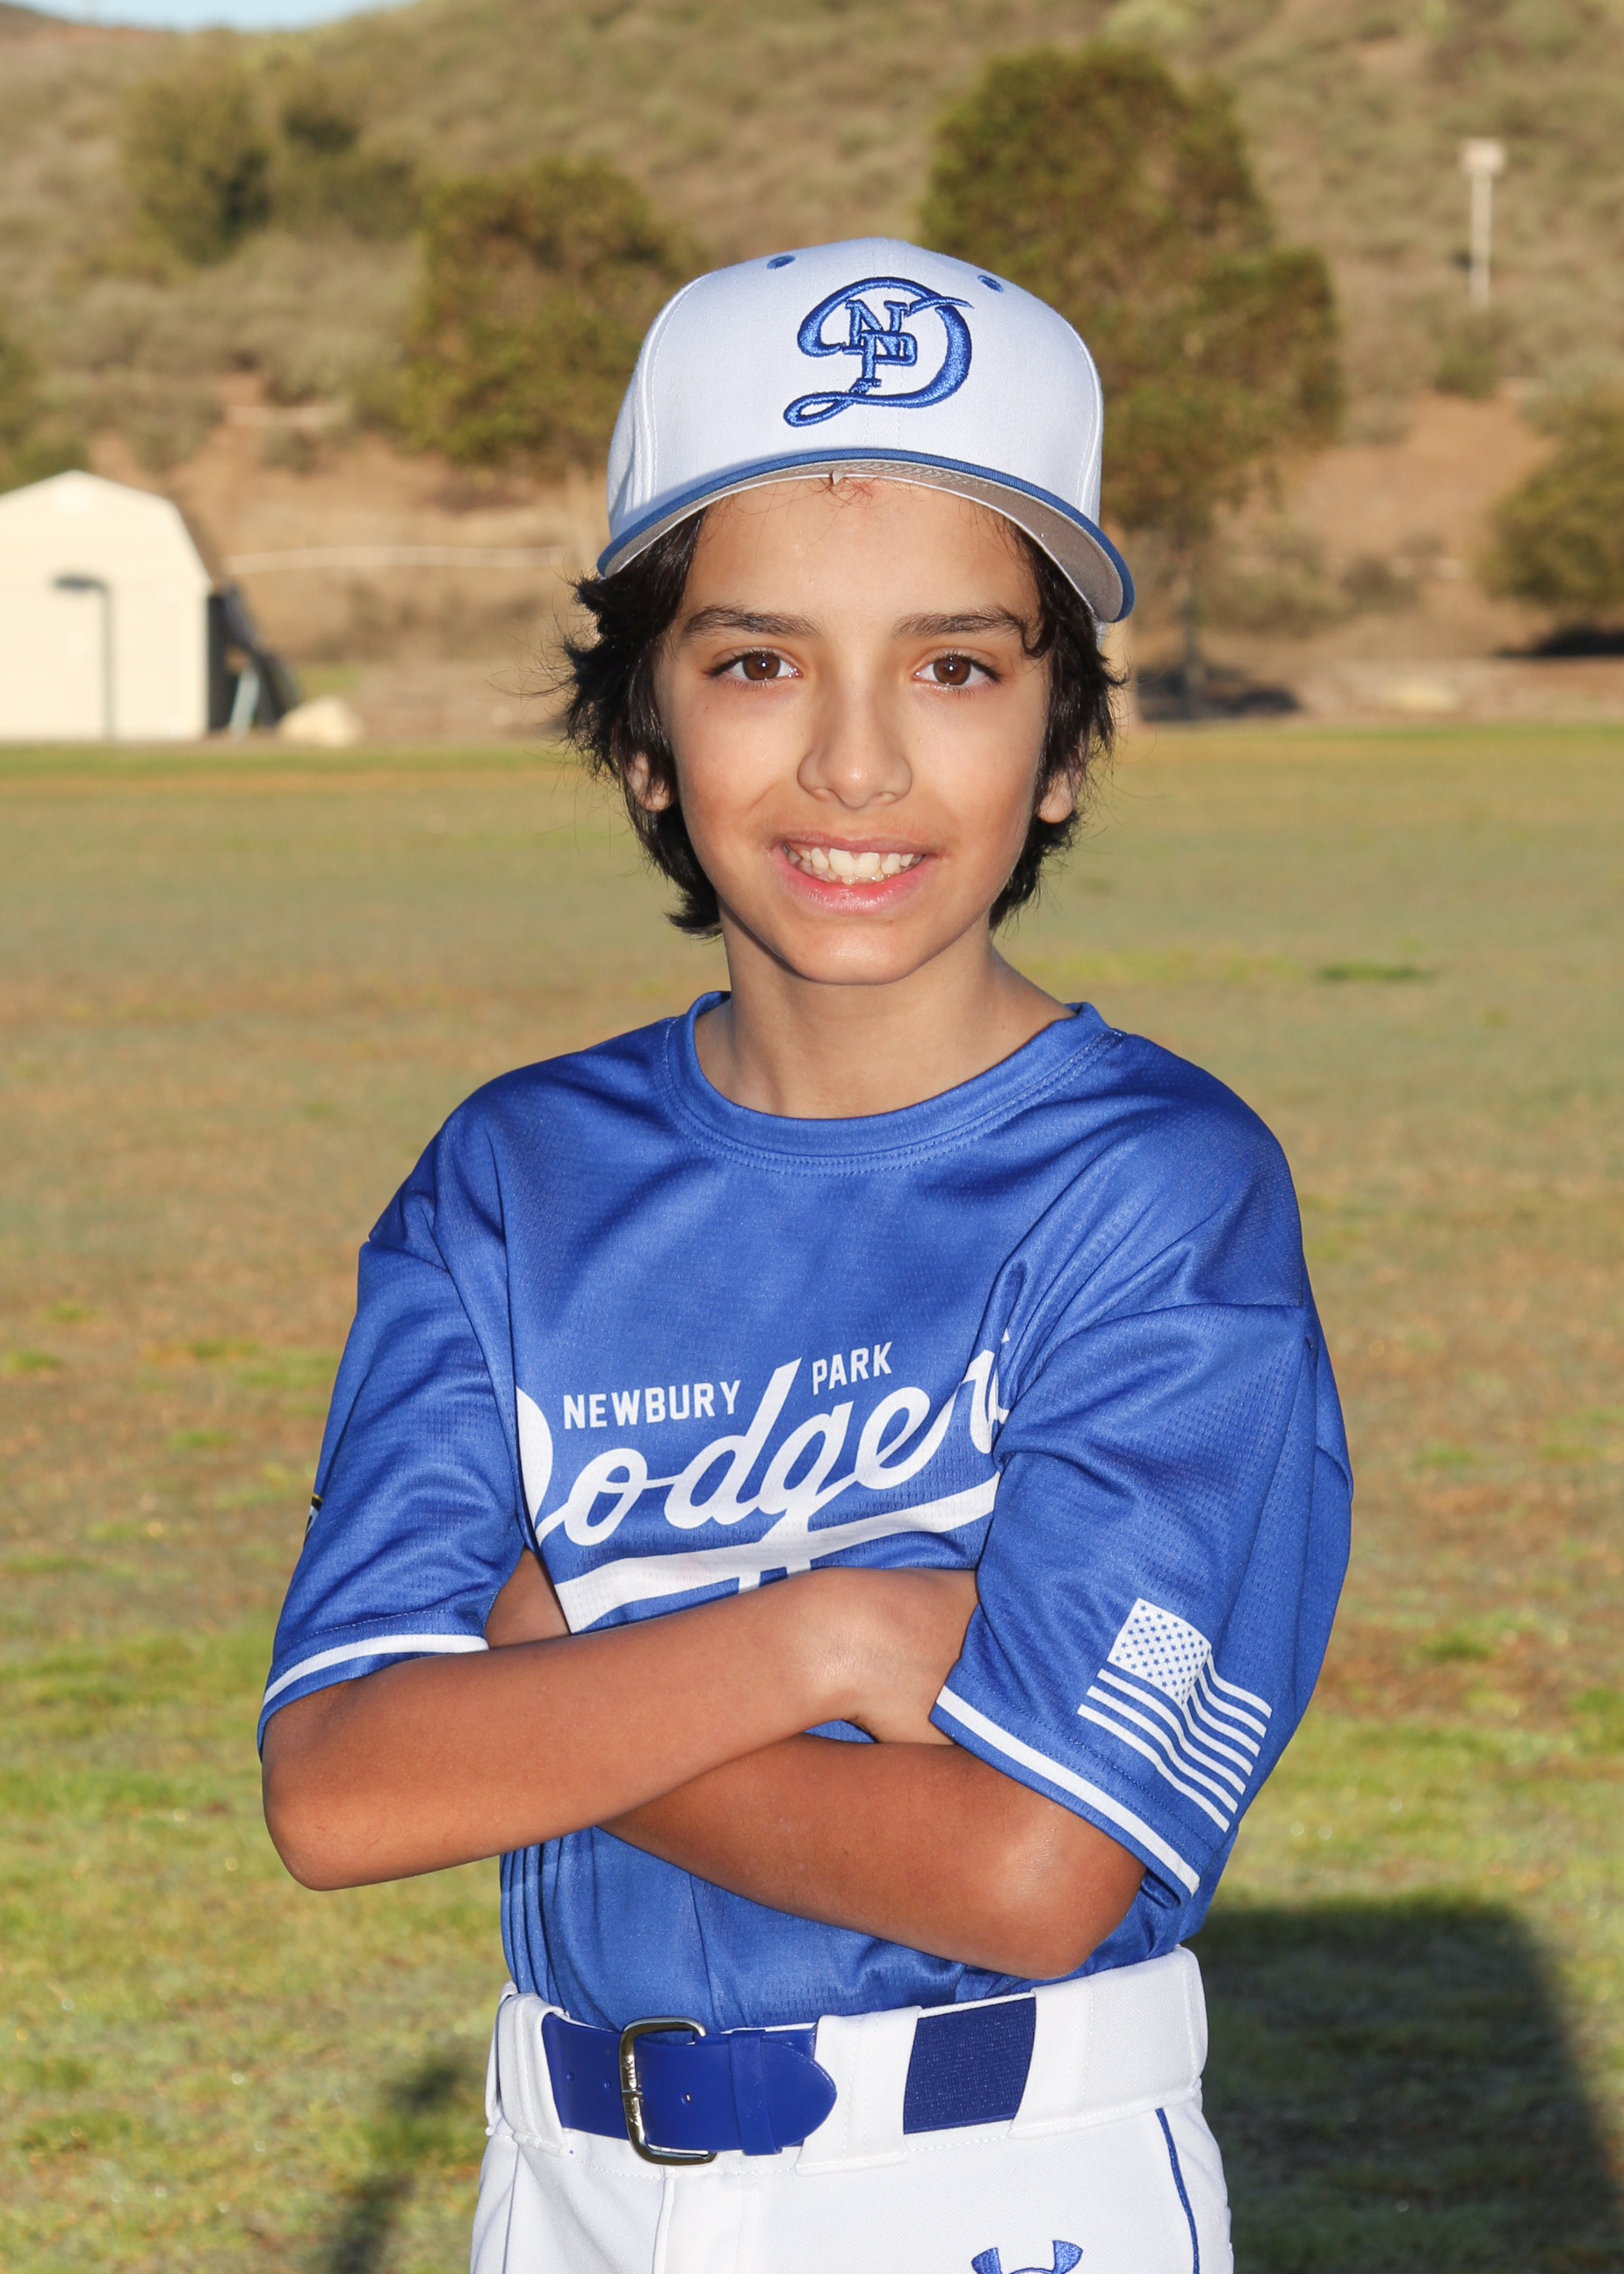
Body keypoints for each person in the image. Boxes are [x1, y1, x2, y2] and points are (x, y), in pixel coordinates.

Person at [260, 237, 1351, 2274]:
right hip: (570, 2184)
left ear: (1064, 742)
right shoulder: (514, 1174)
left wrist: (551, 1673)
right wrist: (825, 1638)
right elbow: (340, 1788)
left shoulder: (1154, 1186)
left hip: (1001, 2183)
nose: (857, 762)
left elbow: (1028, 1869)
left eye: (957, 667)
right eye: (758, 662)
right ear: (642, 732)